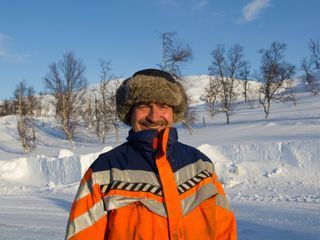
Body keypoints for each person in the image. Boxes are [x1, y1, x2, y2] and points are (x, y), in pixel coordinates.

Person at [65, 69, 237, 240]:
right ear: (130, 112)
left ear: (173, 112)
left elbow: (224, 231)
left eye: (163, 106)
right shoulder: (104, 172)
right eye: (143, 106)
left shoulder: (201, 166)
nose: (154, 117)